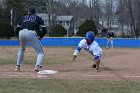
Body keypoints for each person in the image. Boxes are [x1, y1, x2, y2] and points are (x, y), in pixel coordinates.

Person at [14, 7, 47, 72]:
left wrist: (18, 37)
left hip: (21, 32)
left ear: (28, 12)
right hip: (31, 32)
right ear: (34, 12)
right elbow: (44, 30)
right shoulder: (38, 17)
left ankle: (17, 66)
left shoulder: (23, 17)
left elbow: (17, 29)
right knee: (40, 53)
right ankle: (37, 66)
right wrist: (40, 37)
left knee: (21, 49)